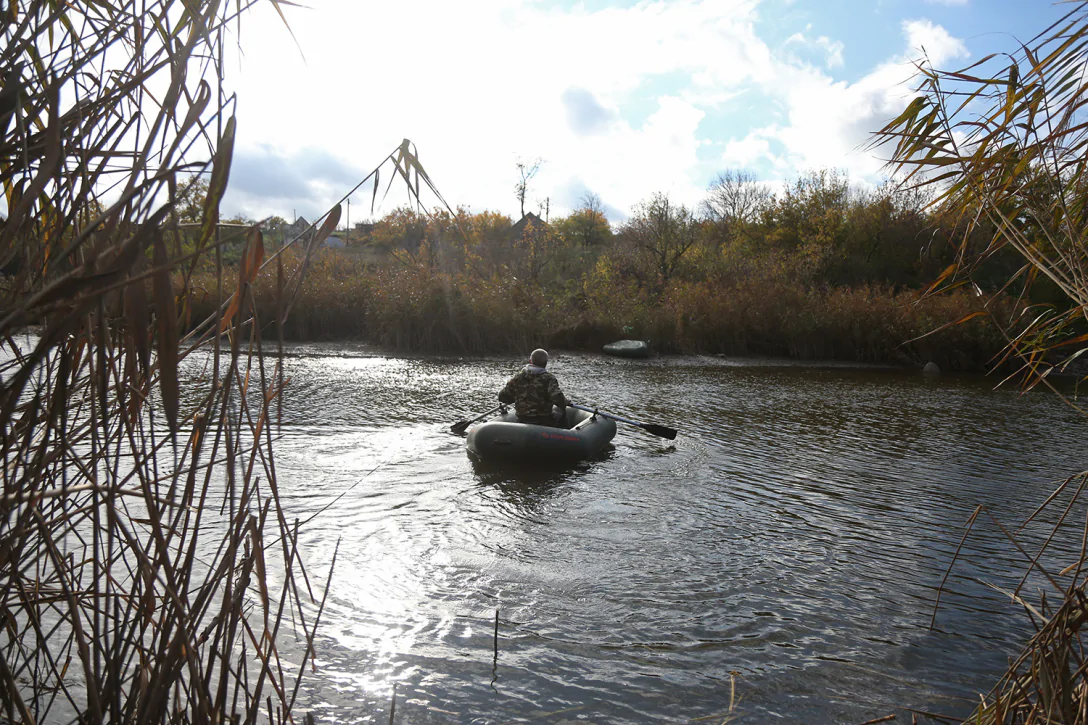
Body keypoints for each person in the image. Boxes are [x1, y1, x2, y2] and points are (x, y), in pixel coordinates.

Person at [498, 348, 568, 427]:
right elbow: (558, 398)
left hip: (522, 420)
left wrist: (517, 397)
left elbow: (502, 397)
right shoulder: (549, 378)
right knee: (561, 411)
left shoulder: (518, 377)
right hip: (544, 422)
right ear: (546, 363)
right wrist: (565, 402)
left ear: (531, 361)